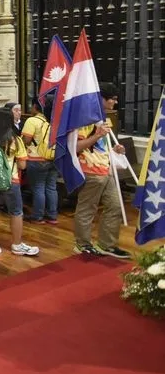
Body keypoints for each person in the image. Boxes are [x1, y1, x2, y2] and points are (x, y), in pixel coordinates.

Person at [72, 83, 130, 259]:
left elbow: (102, 145)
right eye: (112, 98)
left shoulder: (104, 118)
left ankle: (107, 244)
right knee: (87, 208)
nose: (115, 102)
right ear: (101, 99)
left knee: (115, 206)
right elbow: (75, 147)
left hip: (107, 169)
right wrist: (97, 135)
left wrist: (116, 149)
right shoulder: (84, 119)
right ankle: (82, 244)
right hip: (90, 170)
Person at [0, 108, 39, 257]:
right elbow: (23, 165)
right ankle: (17, 245)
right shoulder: (15, 139)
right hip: (11, 181)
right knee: (16, 212)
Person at [22, 95, 58, 224]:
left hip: (36, 159)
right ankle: (52, 216)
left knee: (38, 187)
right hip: (53, 157)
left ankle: (38, 216)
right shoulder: (55, 120)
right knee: (51, 187)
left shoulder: (32, 121)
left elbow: (26, 140)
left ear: (36, 107)